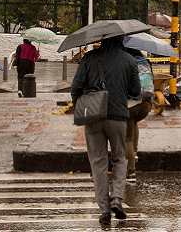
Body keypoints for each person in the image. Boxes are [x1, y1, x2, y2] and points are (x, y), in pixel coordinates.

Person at [71, 36, 141, 225]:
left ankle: (104, 210)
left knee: (98, 164)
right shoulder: (129, 60)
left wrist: (80, 104)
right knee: (119, 159)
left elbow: (76, 87)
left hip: (93, 116)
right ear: (121, 39)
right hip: (118, 116)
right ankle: (117, 198)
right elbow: (136, 90)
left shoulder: (89, 58)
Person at [124, 48, 154, 183]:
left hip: (130, 104)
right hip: (145, 105)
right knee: (134, 123)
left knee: (127, 138)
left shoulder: (125, 62)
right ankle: (134, 155)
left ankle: (131, 171)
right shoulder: (145, 61)